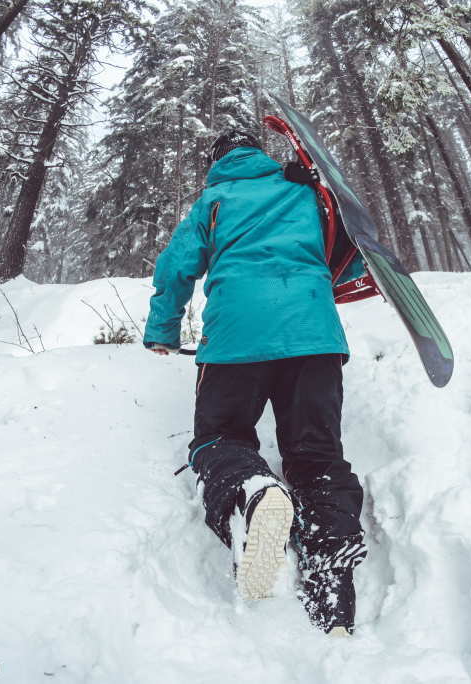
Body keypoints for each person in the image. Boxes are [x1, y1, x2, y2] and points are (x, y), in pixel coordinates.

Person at [142, 129, 367, 636]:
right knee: (317, 454)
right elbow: (346, 251)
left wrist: (163, 329)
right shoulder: (304, 189)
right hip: (314, 335)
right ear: (258, 154)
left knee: (219, 437)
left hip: (236, 339)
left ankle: (250, 493)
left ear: (216, 160)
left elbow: (176, 266)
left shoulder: (214, 200)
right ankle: (332, 579)